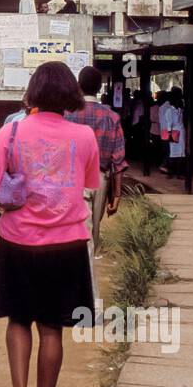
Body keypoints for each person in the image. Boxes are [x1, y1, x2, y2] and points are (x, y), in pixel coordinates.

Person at [0, 61, 100, 387]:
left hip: (18, 244)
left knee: (19, 321)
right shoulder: (84, 137)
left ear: (33, 93)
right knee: (52, 328)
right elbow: (88, 184)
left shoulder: (12, 132)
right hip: (67, 246)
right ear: (70, 96)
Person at [64, 66, 127, 253]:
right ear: (100, 88)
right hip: (100, 178)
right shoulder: (112, 117)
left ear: (78, 86)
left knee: (71, 228)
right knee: (93, 232)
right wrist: (116, 195)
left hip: (70, 177)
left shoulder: (67, 113)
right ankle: (89, 269)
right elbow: (118, 160)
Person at [158, 87, 185, 176]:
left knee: (179, 153)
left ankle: (176, 172)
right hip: (172, 133)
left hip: (176, 133)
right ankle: (170, 171)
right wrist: (169, 134)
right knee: (172, 153)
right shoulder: (168, 109)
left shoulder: (179, 109)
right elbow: (168, 123)